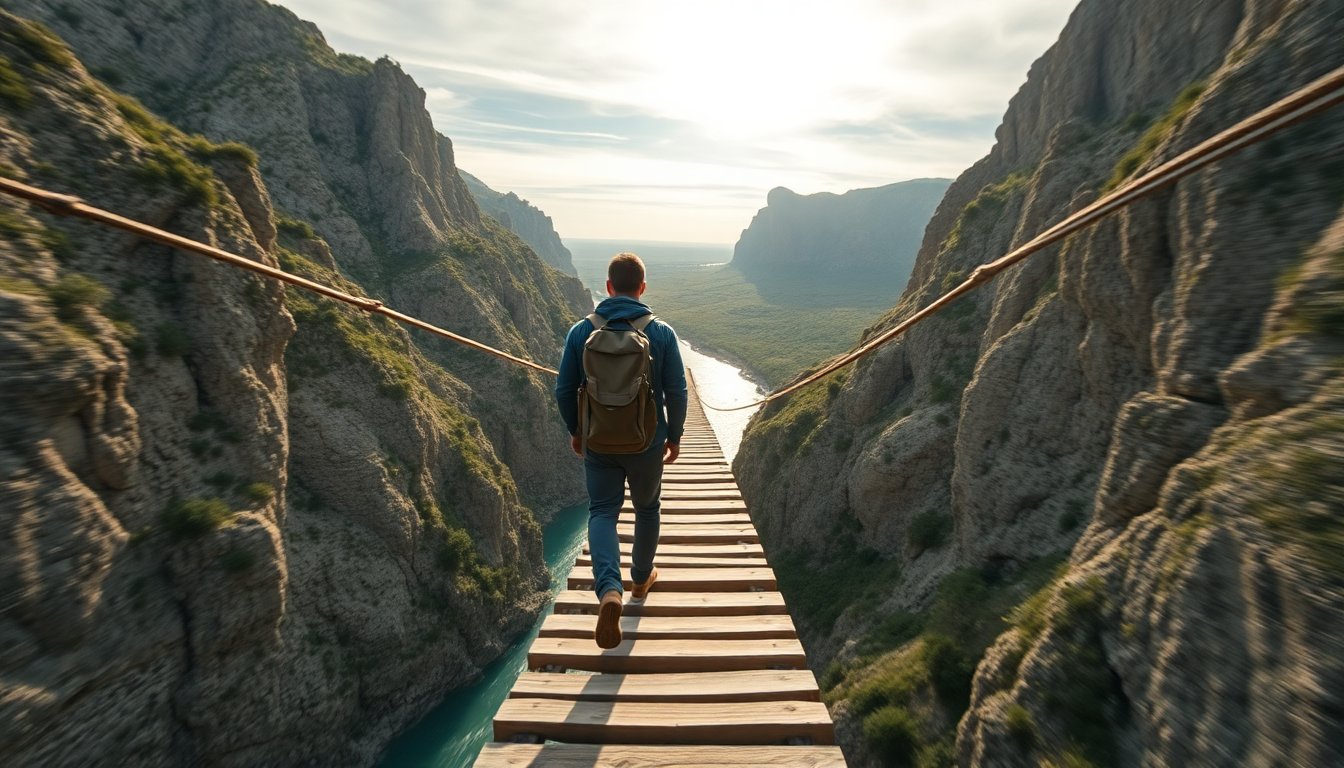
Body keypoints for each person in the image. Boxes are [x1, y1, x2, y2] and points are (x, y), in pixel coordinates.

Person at [555, 252, 688, 649]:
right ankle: (641, 579)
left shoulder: (581, 332)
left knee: (602, 512)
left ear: (609, 286)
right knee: (647, 509)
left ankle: (608, 590)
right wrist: (675, 436)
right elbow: (678, 391)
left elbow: (563, 389)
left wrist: (576, 431)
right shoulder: (661, 332)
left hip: (599, 440)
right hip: (646, 441)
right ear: (642, 288)